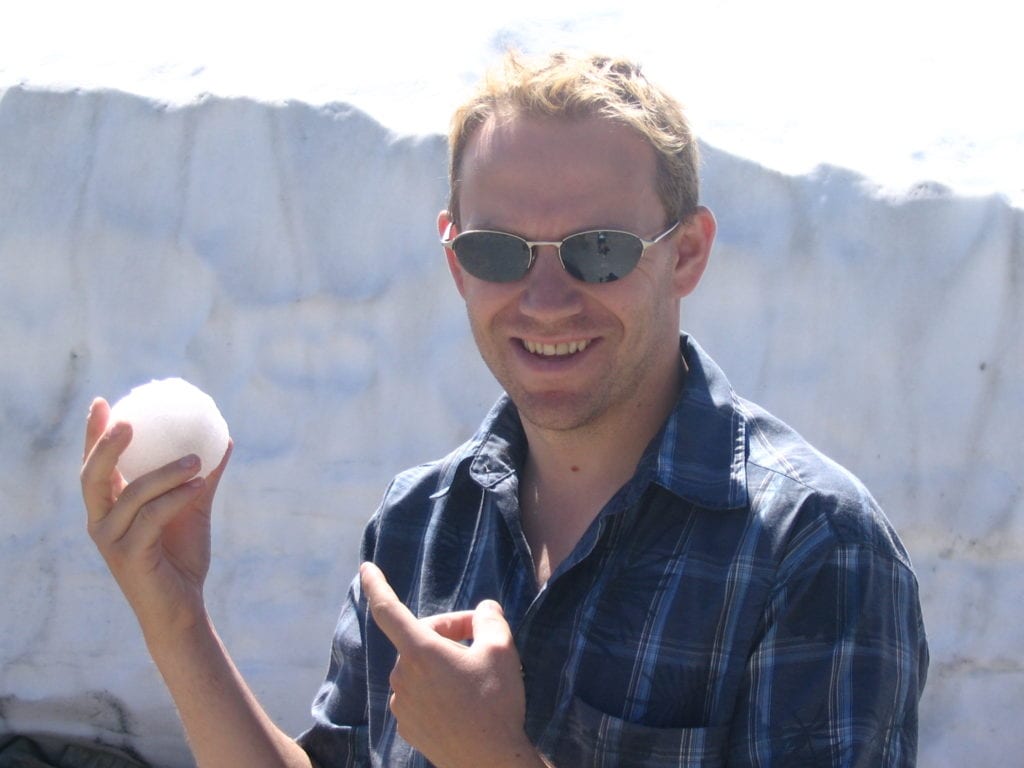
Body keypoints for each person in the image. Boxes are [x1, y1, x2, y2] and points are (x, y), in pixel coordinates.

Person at [81, 51, 928, 767]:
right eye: (500, 251)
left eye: (600, 250)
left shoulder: (815, 547)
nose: (546, 297)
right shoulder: (419, 522)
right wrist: (175, 615)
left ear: (688, 255)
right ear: (456, 261)